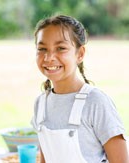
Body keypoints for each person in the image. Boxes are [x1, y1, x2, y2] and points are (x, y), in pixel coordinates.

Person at [31, 15, 129, 163]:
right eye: (42, 49)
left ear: (80, 54)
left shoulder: (96, 102)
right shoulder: (41, 104)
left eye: (61, 48)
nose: (49, 57)